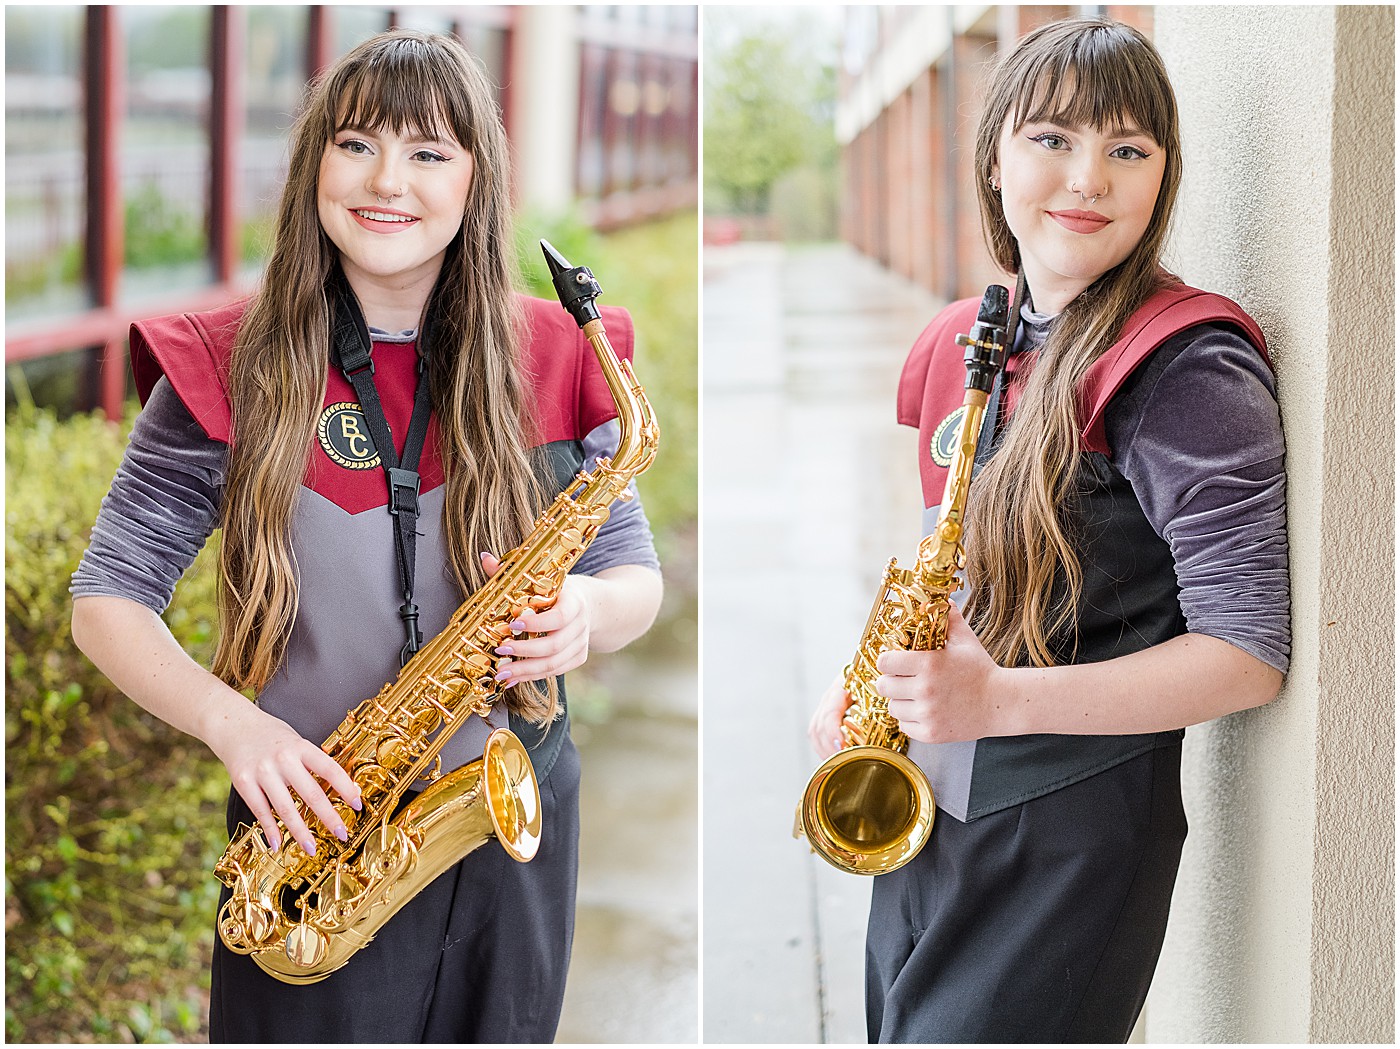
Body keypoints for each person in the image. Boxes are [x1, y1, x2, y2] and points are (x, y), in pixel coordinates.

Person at [70, 29, 663, 1043]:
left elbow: (631, 577)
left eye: (430, 152)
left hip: (503, 820)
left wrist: (582, 614)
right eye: (357, 144)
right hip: (309, 837)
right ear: (314, 166)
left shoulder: (560, 353)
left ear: (476, 180)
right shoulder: (224, 361)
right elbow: (105, 598)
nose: (388, 179)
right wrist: (235, 726)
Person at [807, 18, 1288, 1044]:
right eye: (1051, 139)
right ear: (993, 154)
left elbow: (1246, 655)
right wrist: (865, 683)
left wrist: (997, 697)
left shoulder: (1186, 366)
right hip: (928, 807)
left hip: (1065, 831)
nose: (1087, 178)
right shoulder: (965, 334)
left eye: (1126, 149)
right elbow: (953, 562)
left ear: (1163, 174)